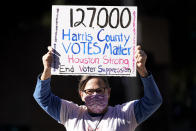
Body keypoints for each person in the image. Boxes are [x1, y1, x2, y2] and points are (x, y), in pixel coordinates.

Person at [33, 45, 162, 131]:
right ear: (81, 94)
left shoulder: (125, 114)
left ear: (109, 92)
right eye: (89, 91)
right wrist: (47, 71)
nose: (94, 95)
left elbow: (153, 101)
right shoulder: (71, 113)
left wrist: (143, 71)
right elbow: (42, 98)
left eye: (99, 90)